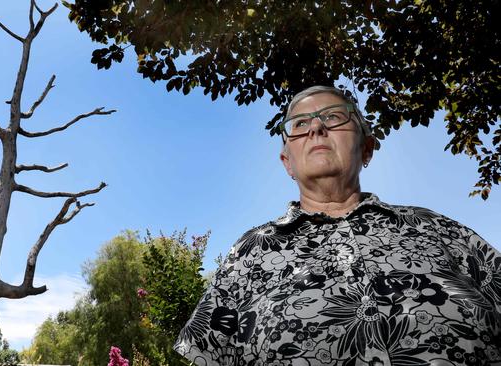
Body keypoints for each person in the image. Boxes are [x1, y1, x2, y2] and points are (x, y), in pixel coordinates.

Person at [174, 86, 501, 365]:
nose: (316, 128)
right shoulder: (250, 250)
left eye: (333, 116)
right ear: (287, 163)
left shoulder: (437, 229)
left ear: (366, 148)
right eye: (299, 124)